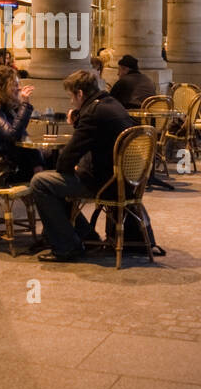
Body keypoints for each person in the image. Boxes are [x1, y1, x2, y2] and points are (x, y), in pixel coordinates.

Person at [29, 70, 135, 262]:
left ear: (80, 94)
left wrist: (75, 168)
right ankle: (85, 234)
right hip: (126, 179)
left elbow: (65, 161)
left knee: (41, 182)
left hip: (105, 183)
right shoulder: (111, 104)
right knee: (58, 182)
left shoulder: (92, 113)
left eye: (71, 96)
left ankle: (66, 246)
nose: (71, 102)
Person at [0, 65, 39, 183]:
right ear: (2, 87)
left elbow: (22, 135)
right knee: (48, 172)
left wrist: (37, 162)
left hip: (13, 161)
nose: (19, 88)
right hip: (3, 169)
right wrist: (25, 105)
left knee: (51, 160)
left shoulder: (6, 106)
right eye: (14, 85)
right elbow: (12, 135)